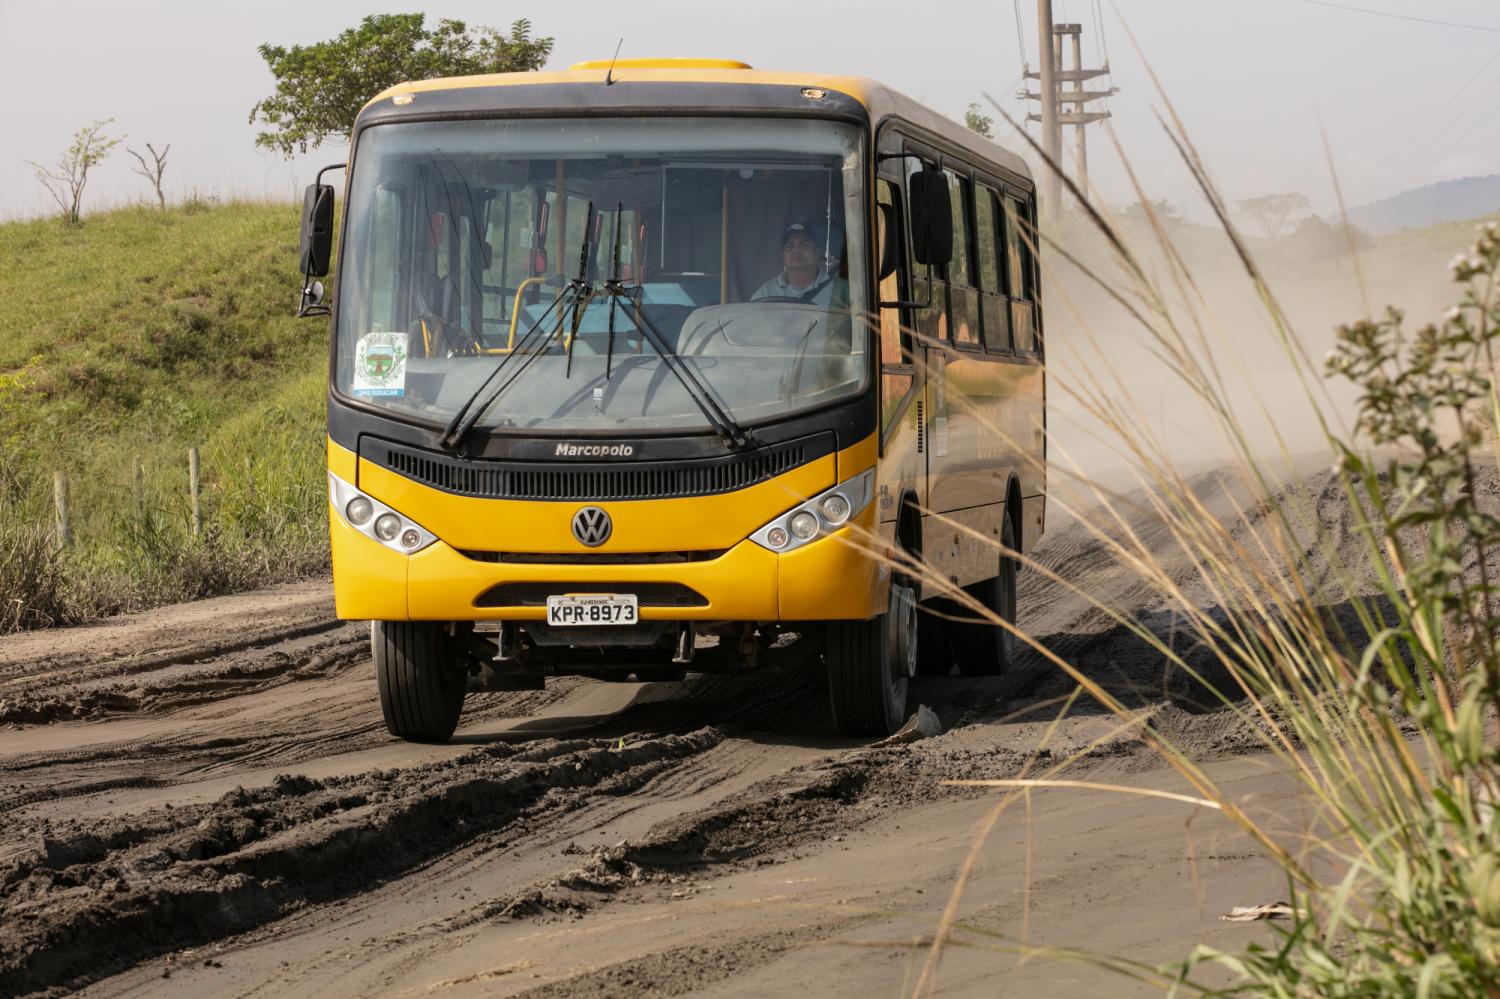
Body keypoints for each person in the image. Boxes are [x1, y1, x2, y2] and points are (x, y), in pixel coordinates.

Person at [750, 222, 846, 306]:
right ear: (783, 256)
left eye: (804, 245)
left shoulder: (841, 291)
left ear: (818, 253)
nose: (796, 250)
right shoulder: (765, 293)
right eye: (789, 246)